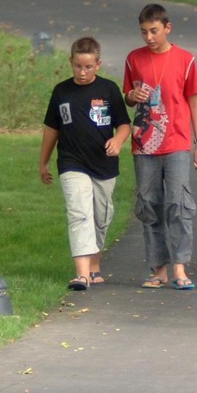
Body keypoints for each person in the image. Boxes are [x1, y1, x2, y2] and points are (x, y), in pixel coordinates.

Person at [123, 3, 197, 289]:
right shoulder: (134, 59)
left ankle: (180, 268)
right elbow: (128, 98)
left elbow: (194, 100)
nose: (148, 37)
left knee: (178, 203)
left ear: (167, 28)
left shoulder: (185, 59)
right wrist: (132, 95)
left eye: (154, 31)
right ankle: (158, 268)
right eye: (144, 31)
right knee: (149, 204)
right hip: (144, 143)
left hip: (178, 141)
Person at [38, 36, 131, 289]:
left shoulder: (108, 90)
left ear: (98, 64)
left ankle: (94, 264)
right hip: (71, 162)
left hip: (103, 165)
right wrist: (43, 162)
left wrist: (117, 141)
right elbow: (51, 129)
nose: (82, 72)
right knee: (79, 213)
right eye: (78, 66)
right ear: (71, 62)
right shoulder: (61, 91)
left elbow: (124, 124)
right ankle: (81, 275)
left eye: (88, 67)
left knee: (101, 216)